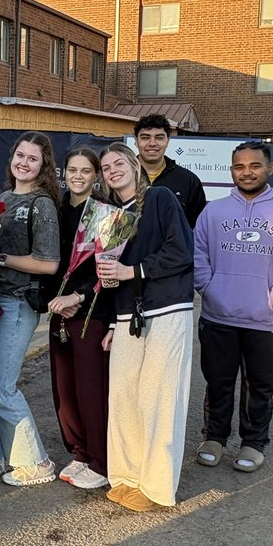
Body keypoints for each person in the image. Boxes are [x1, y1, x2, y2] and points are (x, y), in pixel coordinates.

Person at [193, 141, 273, 472]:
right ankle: (214, 437)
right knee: (218, 381)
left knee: (259, 385)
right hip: (218, 314)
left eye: (254, 166)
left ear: (269, 169)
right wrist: (209, 290)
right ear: (232, 171)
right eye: (239, 167)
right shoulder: (213, 211)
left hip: (264, 319)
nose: (247, 172)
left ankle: (253, 442)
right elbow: (198, 255)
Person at [97, 142, 194, 512]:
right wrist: (109, 320)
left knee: (158, 399)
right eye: (106, 167)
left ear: (134, 164)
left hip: (167, 308)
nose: (112, 170)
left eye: (118, 162)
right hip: (125, 315)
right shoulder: (108, 215)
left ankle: (155, 486)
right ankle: (126, 476)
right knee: (123, 398)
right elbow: (108, 274)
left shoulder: (159, 197)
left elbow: (180, 251)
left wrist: (132, 271)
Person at [0, 132, 60, 486]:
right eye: (20, 155)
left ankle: (36, 461)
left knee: (1, 387)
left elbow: (49, 264)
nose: (24, 163)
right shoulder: (2, 197)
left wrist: (1, 259)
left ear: (43, 166)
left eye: (33, 158)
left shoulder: (42, 204)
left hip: (18, 302)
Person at [46, 147, 112, 490]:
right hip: (59, 311)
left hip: (90, 311)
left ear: (96, 175)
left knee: (90, 390)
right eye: (72, 169)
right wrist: (55, 299)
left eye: (86, 171)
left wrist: (80, 296)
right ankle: (80, 452)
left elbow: (108, 267)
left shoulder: (105, 213)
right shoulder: (55, 211)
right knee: (64, 389)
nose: (78, 176)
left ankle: (101, 461)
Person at [133, 114, 206, 228]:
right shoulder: (121, 177)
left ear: (168, 141)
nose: (152, 143)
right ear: (136, 141)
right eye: (145, 137)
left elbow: (196, 229)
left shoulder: (188, 181)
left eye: (159, 137)